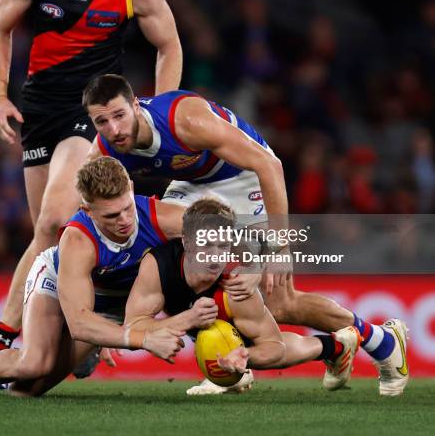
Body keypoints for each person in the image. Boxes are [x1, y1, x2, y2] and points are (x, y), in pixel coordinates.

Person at [83, 74, 409, 397]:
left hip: (244, 177)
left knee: (281, 303)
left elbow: (270, 165)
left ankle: (381, 340)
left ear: (136, 106)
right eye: (102, 121)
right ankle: (230, 364)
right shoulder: (104, 151)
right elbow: (95, 221)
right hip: (193, 185)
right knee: (172, 258)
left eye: (119, 115)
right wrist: (113, 330)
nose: (113, 129)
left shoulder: (186, 120)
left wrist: (276, 250)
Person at [0, 0, 182, 357]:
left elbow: (169, 44)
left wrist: (161, 108)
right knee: (48, 237)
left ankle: (0, 343)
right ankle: (81, 333)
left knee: (54, 220)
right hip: (39, 112)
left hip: (89, 112)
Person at [0, 157, 185, 397]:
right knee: (34, 363)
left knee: (26, 391)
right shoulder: (78, 238)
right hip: (59, 283)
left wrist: (235, 275)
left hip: (110, 305)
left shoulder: (163, 216)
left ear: (131, 188)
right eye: (111, 216)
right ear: (87, 210)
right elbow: (79, 322)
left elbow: (228, 230)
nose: (125, 221)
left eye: (127, 208)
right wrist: (144, 339)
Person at [124, 198, 361, 388]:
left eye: (223, 246)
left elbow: (274, 346)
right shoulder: (158, 265)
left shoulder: (236, 284)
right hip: (193, 309)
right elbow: (131, 328)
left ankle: (334, 346)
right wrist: (188, 319)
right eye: (207, 245)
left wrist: (246, 356)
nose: (216, 256)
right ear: (186, 241)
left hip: (229, 310)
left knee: (258, 344)